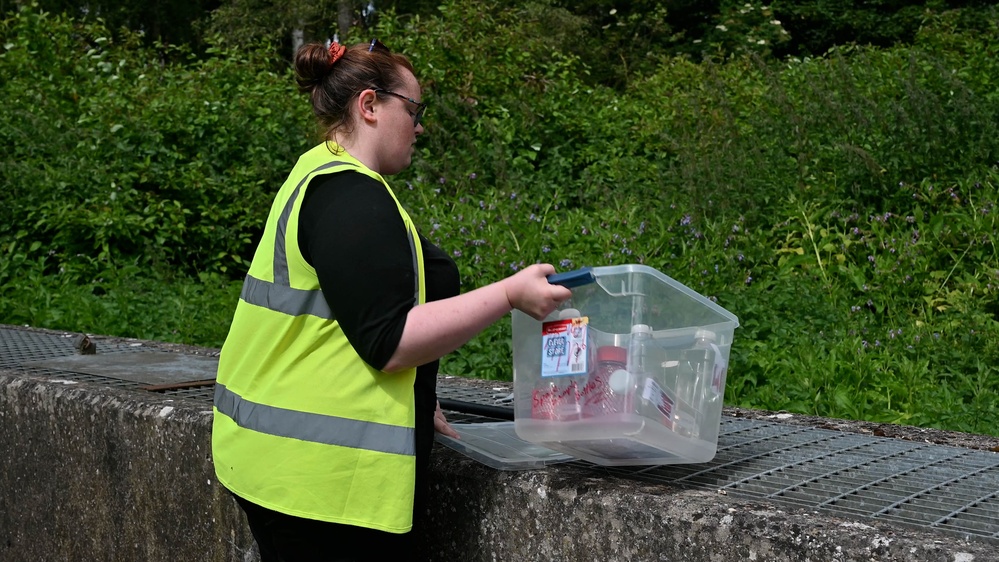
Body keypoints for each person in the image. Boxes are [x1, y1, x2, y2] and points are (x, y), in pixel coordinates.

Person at [211, 38, 572, 561]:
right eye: (414, 109)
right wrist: (510, 294)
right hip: (324, 489)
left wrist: (415, 402)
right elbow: (390, 339)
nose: (420, 125)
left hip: (285, 467)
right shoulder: (352, 198)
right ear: (370, 106)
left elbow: (344, 323)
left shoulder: (319, 173)